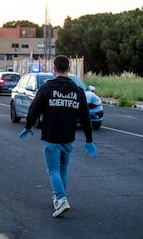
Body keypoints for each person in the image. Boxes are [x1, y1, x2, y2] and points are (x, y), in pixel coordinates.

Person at [19, 55, 98, 218]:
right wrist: (89, 140)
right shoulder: (78, 91)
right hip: (68, 138)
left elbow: (34, 109)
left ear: (54, 69)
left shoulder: (47, 89)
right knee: (63, 169)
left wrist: (28, 126)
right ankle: (57, 197)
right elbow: (85, 117)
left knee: (53, 169)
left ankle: (61, 199)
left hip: (51, 137)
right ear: (69, 69)